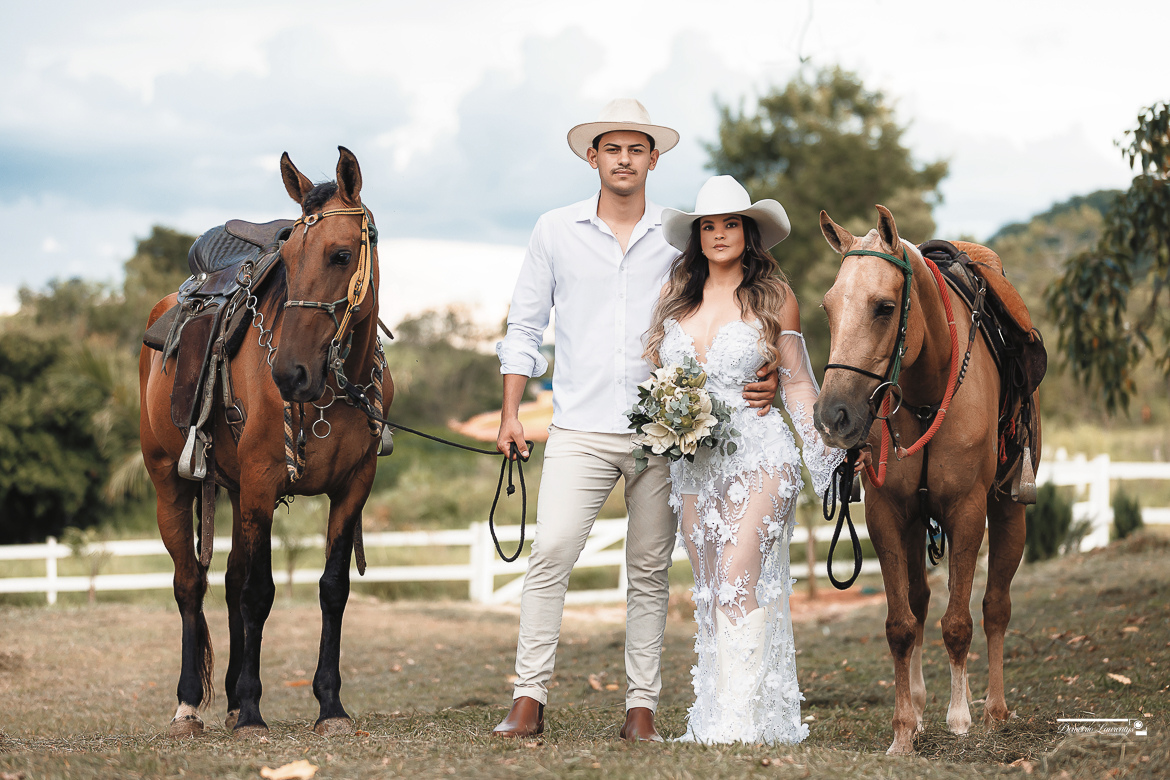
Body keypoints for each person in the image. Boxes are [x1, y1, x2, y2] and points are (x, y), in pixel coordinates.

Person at [493, 101, 779, 742]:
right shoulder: (553, 230)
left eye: (636, 149)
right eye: (612, 148)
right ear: (592, 156)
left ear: (653, 158)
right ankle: (528, 698)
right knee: (551, 552)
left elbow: (731, 302)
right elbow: (524, 328)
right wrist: (511, 412)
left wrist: (766, 369)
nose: (624, 159)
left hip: (663, 434)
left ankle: (641, 709)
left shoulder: (680, 238)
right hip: (578, 428)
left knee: (648, 571)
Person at [645, 175, 845, 744]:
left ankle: (736, 725)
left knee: (738, 577)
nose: (719, 234)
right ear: (697, 236)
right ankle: (718, 717)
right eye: (708, 226)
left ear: (748, 231)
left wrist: (828, 461)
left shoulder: (775, 298)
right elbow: (658, 378)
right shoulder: (675, 297)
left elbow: (798, 384)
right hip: (691, 464)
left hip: (760, 456)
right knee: (710, 587)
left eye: (730, 223)